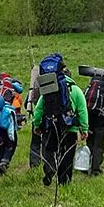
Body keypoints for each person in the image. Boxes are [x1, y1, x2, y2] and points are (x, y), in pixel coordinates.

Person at [32, 54, 89, 186]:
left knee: (50, 151)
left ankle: (49, 170)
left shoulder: (48, 89)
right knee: (67, 155)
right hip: (70, 128)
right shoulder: (75, 90)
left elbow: (39, 109)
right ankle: (64, 182)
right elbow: (82, 111)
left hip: (52, 125)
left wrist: (37, 125)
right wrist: (84, 129)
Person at [25, 63, 42, 168]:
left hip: (37, 116)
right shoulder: (56, 83)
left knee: (35, 143)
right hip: (52, 117)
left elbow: (27, 102)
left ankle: (34, 165)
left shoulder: (35, 84)